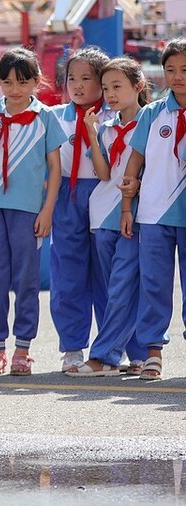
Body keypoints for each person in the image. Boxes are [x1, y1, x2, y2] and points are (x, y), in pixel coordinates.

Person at [0, 48, 66, 376]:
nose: (15, 88)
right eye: (7, 82)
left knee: (26, 281)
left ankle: (23, 348)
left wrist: (47, 209)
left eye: (23, 82)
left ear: (37, 82)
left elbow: (55, 168)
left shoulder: (45, 118)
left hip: (28, 211)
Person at [68, 57, 149, 376]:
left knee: (123, 285)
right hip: (101, 216)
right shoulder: (105, 128)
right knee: (114, 287)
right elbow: (103, 173)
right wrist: (90, 132)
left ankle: (104, 356)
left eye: (117, 86)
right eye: (105, 87)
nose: (110, 93)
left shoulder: (152, 122)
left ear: (138, 86)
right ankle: (137, 354)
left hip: (136, 215)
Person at [119, 38, 186, 381]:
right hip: (154, 215)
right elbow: (135, 161)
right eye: (171, 69)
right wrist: (127, 208)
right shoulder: (151, 113)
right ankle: (153, 353)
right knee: (154, 286)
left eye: (184, 69)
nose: (178, 76)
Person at [49, 47, 109, 373]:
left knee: (107, 274)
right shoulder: (57, 117)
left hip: (104, 194)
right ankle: (72, 347)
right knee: (68, 274)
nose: (78, 85)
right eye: (72, 78)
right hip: (66, 197)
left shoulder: (112, 116)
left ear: (102, 82)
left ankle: (111, 345)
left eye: (87, 78)